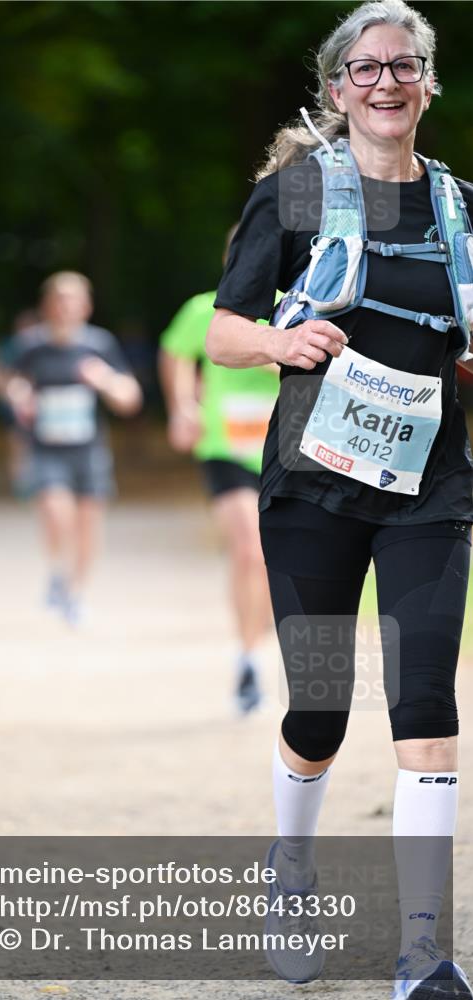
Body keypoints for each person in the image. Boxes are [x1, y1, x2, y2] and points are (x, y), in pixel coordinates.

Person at [206, 1, 472, 996]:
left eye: (404, 66)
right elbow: (224, 332)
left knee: (426, 708)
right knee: (319, 708)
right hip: (315, 484)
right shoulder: (294, 196)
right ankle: (290, 870)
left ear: (427, 84)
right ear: (336, 90)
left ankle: (420, 949)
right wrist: (282, 341)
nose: (385, 82)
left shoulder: (461, 208)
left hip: (428, 487)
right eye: (364, 69)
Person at [159, 228, 280, 712]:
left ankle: (260, 632)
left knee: (278, 560)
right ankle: (248, 659)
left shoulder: (295, 307)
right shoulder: (205, 308)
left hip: (284, 449)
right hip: (225, 445)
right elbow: (174, 354)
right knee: (250, 550)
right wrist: (181, 406)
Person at [2, 271, 142, 625]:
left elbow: (130, 398)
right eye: (59, 300)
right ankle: (57, 570)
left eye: (73, 300)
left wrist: (105, 380)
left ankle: (75, 593)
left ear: (86, 306)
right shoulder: (31, 345)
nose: (66, 307)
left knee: (88, 524)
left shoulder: (99, 344)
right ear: (46, 306)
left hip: (88, 448)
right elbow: (8, 379)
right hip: (46, 447)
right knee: (55, 511)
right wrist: (19, 395)